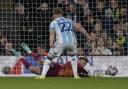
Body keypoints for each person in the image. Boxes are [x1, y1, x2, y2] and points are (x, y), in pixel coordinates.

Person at [34, 7, 91, 79]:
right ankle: (76, 76)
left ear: (54, 14)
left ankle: (42, 76)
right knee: (74, 57)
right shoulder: (69, 20)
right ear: (61, 14)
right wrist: (88, 36)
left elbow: (52, 34)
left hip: (61, 43)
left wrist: (51, 44)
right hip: (72, 42)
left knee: (49, 58)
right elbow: (79, 27)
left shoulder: (53, 22)